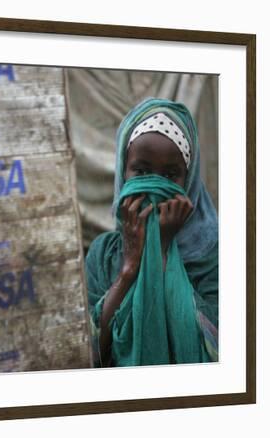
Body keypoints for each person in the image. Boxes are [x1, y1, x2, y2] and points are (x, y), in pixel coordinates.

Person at [85, 98, 218, 367]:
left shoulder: (213, 256)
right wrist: (129, 268)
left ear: (189, 181)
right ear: (123, 173)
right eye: (142, 171)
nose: (155, 185)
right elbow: (89, 351)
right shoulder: (103, 253)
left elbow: (214, 349)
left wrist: (163, 250)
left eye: (170, 175)